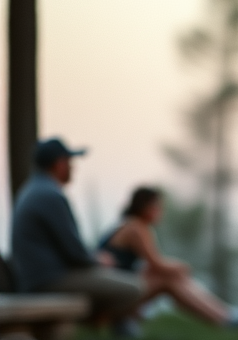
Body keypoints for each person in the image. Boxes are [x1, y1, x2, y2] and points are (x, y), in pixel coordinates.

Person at [10, 139, 144, 325]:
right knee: (135, 288)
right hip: (48, 280)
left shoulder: (33, 190)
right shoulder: (50, 195)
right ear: (59, 164)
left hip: (35, 277)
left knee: (118, 281)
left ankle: (105, 326)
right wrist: (97, 260)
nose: (73, 168)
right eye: (70, 163)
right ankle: (100, 327)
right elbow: (75, 253)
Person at [99, 187, 238, 327]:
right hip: (111, 300)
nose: (160, 212)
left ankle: (226, 315)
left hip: (117, 291)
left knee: (170, 277)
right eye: (157, 207)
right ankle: (226, 318)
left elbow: (150, 266)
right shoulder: (135, 228)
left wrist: (174, 269)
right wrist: (183, 267)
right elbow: (157, 264)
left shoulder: (129, 224)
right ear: (145, 207)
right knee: (169, 278)